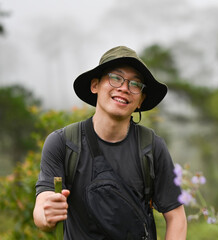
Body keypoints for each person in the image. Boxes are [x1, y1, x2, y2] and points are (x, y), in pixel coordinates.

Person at [33, 46, 187, 239]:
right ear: (95, 85)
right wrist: (46, 214)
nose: (124, 87)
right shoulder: (63, 142)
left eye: (135, 84)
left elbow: (176, 217)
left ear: (141, 100)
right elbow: (42, 206)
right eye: (115, 78)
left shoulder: (151, 147)